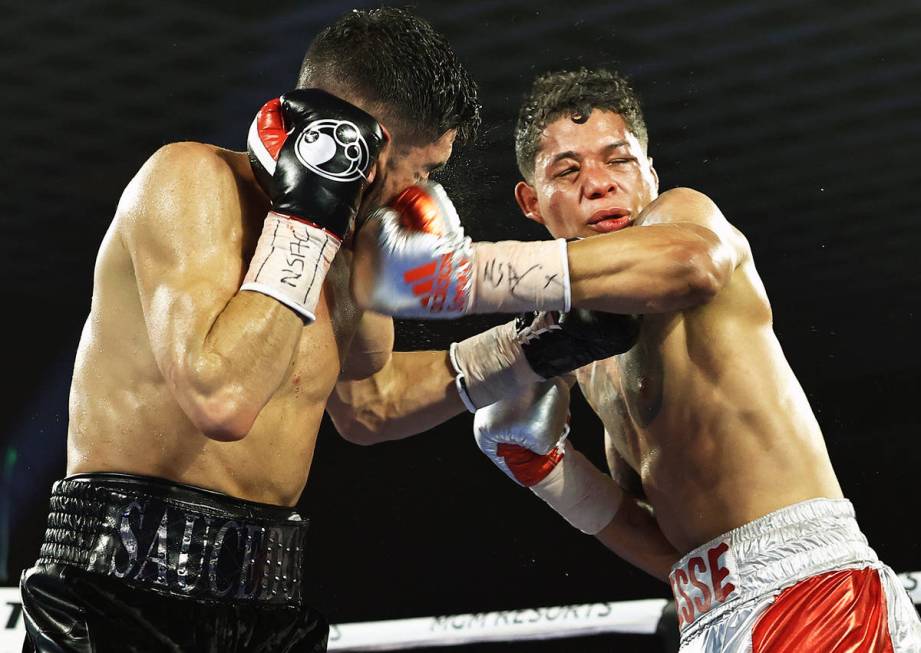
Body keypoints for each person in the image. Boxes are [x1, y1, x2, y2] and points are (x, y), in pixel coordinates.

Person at [339, 68, 921, 650]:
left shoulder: (682, 218)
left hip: (818, 601)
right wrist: (549, 473)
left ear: (650, 173)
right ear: (530, 201)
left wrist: (463, 276)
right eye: (567, 170)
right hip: (713, 615)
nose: (599, 184)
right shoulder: (574, 343)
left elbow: (694, 264)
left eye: (618, 161)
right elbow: (675, 554)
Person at [18, 8, 485, 652]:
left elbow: (370, 394)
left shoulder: (352, 245)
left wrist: (530, 347)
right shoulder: (188, 181)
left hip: (268, 602)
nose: (421, 192)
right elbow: (223, 398)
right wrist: (310, 216)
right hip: (119, 591)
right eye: (418, 167)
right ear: (349, 144)